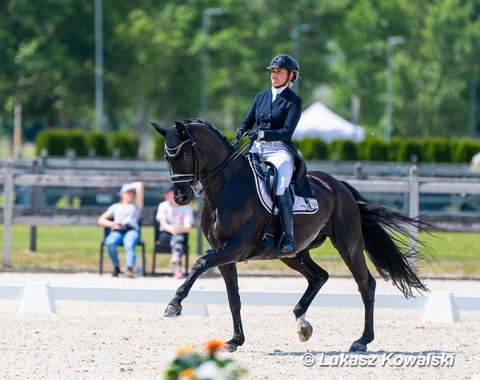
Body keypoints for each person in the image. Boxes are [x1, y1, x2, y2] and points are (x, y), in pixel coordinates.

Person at [235, 53, 310, 259]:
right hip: (256, 149)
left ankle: (287, 237)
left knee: (279, 186)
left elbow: (287, 131)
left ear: (290, 77)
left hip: (279, 150)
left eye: (279, 72)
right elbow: (247, 121)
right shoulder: (261, 96)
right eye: (273, 72)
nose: (274, 75)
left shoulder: (294, 101)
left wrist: (261, 133)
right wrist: (241, 131)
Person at [98, 181, 144, 277]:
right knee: (110, 242)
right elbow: (101, 220)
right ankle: (116, 266)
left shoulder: (136, 206)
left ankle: (129, 268)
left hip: (131, 230)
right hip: (118, 230)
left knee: (129, 243)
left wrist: (132, 185)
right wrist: (112, 223)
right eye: (128, 192)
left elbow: (139, 185)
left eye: (132, 193)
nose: (130, 195)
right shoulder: (115, 207)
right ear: (122, 194)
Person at [156, 184, 194, 279]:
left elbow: (188, 227)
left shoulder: (186, 208)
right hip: (166, 234)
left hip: (180, 234)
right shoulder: (163, 206)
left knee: (178, 237)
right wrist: (172, 229)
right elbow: (163, 224)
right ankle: (178, 265)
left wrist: (179, 229)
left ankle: (176, 261)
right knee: (178, 238)